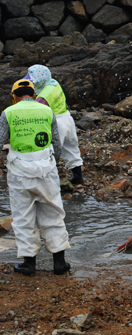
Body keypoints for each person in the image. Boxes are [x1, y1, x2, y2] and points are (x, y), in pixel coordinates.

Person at [1, 79, 71, 276]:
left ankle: (29, 264)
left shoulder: (8, 113)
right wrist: (53, 164)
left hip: (19, 173)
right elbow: (56, 143)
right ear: (32, 93)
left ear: (14, 96)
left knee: (23, 217)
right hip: (46, 169)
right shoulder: (46, 111)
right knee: (54, 213)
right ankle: (59, 263)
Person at [24, 65, 84, 184]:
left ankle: (48, 178)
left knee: (51, 150)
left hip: (56, 122)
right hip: (67, 118)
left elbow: (37, 111)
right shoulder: (53, 83)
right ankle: (78, 177)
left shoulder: (43, 97)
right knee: (71, 148)